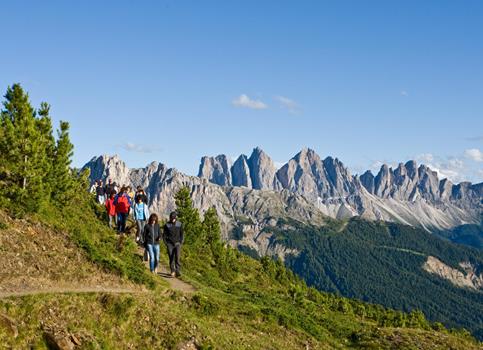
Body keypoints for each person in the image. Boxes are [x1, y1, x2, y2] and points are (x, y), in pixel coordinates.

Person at [163, 211, 184, 277]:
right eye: (171, 218)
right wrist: (166, 243)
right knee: (171, 257)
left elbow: (182, 234)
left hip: (177, 243)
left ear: (175, 218)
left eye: (173, 218)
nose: (172, 219)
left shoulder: (179, 224)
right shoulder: (167, 225)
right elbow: (164, 235)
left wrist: (181, 241)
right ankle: (172, 271)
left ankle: (178, 270)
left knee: (177, 257)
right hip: (170, 244)